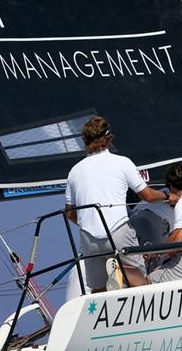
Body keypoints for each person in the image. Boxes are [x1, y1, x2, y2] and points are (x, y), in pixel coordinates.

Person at [65, 116, 172, 291]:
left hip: (89, 238)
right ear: (108, 138)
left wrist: (88, 222)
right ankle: (121, 276)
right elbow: (148, 196)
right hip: (117, 232)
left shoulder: (74, 171)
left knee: (98, 290)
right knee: (138, 282)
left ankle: (112, 284)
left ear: (85, 141)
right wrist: (167, 196)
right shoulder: (122, 162)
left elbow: (69, 213)